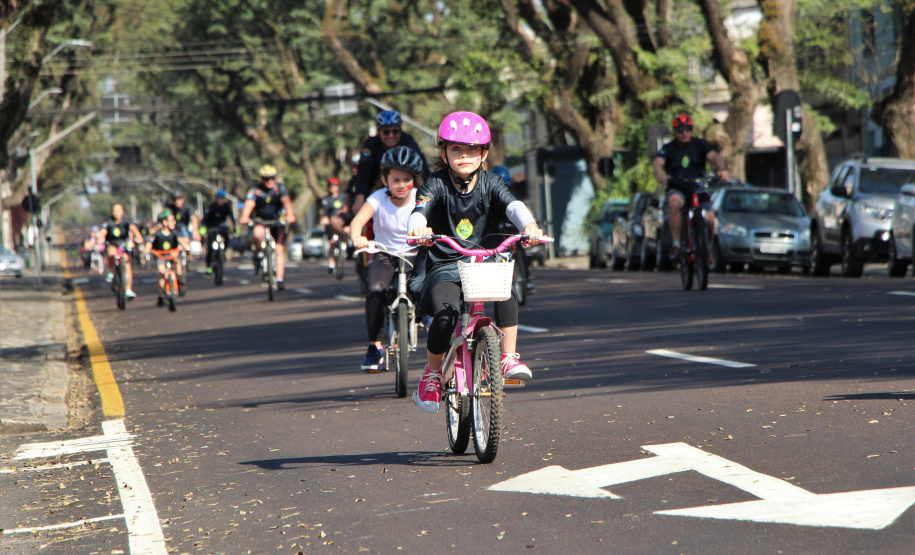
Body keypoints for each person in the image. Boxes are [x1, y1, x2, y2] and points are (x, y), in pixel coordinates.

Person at [408, 111, 543, 414]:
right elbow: (420, 209)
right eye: (456, 149)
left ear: (484, 153)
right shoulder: (436, 183)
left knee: (504, 287)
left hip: (480, 262)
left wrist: (529, 225)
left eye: (472, 149)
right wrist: (418, 227)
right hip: (443, 265)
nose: (464, 155)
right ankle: (431, 375)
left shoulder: (491, 183)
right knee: (445, 316)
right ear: (444, 152)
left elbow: (514, 205)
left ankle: (507, 357)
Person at [349, 146, 423, 372]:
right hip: (385, 253)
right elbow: (356, 223)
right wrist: (358, 238)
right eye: (396, 179)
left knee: (429, 286)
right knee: (375, 291)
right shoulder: (377, 199)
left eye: (407, 179)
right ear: (385, 180)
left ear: (414, 180)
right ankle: (375, 347)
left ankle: (426, 318)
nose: (401, 185)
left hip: (415, 254)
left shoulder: (422, 198)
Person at [652, 113, 730, 260]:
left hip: (698, 187)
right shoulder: (669, 148)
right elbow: (658, 163)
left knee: (709, 219)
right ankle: (676, 244)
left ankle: (707, 247)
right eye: (681, 130)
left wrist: (721, 169)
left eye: (688, 129)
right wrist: (660, 175)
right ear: (675, 132)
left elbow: (713, 156)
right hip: (678, 187)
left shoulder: (700, 144)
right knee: (674, 204)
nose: (685, 133)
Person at [349, 110, 431, 214]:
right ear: (379, 132)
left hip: (406, 194)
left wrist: (430, 194)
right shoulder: (370, 144)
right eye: (386, 132)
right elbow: (363, 173)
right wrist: (359, 199)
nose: (391, 135)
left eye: (395, 131)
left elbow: (423, 169)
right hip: (376, 190)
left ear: (400, 131)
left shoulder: (408, 141)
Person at [238, 164, 297, 290]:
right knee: (258, 234)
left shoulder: (280, 188)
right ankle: (259, 253)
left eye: (272, 178)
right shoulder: (255, 190)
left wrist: (290, 215)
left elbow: (286, 202)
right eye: (266, 178)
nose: (270, 181)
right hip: (261, 219)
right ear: (261, 179)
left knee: (279, 249)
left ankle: (280, 279)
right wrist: (245, 216)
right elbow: (249, 204)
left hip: (276, 220)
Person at [490, 164, 535, 294]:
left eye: (506, 185)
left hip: (512, 230)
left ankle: (526, 278)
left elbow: (523, 208)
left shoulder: (513, 194)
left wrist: (531, 224)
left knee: (522, 251)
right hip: (498, 231)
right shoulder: (488, 196)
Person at [97, 202, 144, 299]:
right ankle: (110, 270)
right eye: (115, 211)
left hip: (123, 245)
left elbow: (135, 231)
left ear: (122, 212)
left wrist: (138, 238)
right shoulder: (108, 222)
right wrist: (100, 239)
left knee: (127, 264)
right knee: (111, 253)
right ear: (112, 212)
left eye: (119, 211)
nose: (117, 213)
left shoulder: (127, 221)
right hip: (111, 243)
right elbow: (102, 232)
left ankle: (128, 289)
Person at [149, 210, 181, 308]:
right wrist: (147, 249)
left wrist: (186, 246)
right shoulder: (157, 234)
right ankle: (161, 292)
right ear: (165, 222)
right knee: (161, 271)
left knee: (177, 260)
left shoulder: (174, 232)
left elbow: (181, 241)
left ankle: (180, 279)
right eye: (172, 220)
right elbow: (149, 243)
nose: (174, 222)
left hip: (171, 256)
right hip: (161, 257)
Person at [201, 189, 236, 274]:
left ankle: (223, 252)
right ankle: (209, 267)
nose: (221, 200)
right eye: (219, 198)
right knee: (210, 247)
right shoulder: (211, 207)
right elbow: (205, 218)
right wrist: (203, 228)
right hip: (212, 227)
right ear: (216, 198)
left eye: (222, 198)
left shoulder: (226, 207)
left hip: (222, 228)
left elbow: (232, 217)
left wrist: (235, 227)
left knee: (226, 237)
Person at [319, 176, 349, 274]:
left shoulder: (343, 197)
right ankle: (331, 263)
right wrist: (325, 218)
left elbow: (347, 209)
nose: (333, 188)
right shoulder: (326, 199)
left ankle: (346, 250)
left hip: (341, 221)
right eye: (331, 186)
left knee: (346, 232)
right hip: (331, 223)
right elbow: (325, 213)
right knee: (332, 242)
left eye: (334, 186)